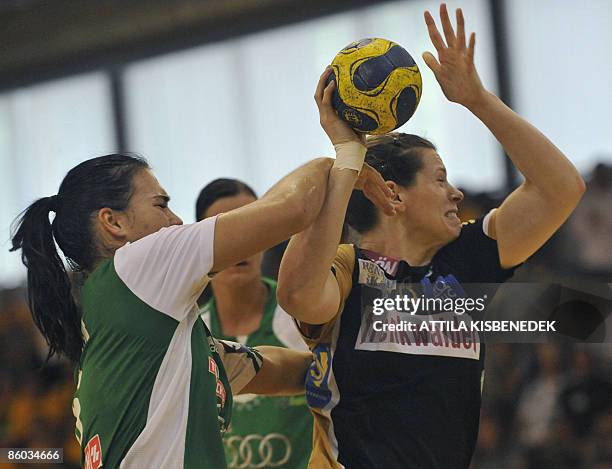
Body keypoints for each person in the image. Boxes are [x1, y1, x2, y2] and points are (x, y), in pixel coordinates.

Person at [277, 4, 586, 469]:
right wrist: (345, 158)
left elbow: (561, 188)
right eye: (440, 179)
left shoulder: (464, 261)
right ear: (394, 196)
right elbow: (298, 295)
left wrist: (478, 99)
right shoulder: (346, 268)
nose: (456, 193)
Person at [9, 115, 394, 467]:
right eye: (161, 204)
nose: (175, 221)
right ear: (114, 223)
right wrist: (344, 153)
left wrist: (359, 367)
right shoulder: (136, 266)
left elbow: (265, 370)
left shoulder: (131, 325)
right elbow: (294, 207)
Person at [195, 178, 313, 469]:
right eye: (225, 229)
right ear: (197, 240)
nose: (240, 243)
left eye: (250, 227)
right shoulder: (190, 331)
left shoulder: (303, 313)